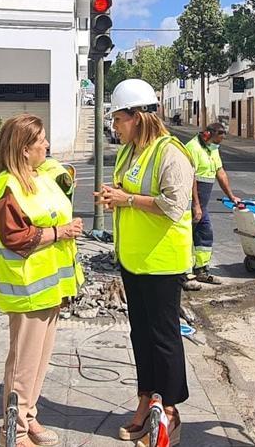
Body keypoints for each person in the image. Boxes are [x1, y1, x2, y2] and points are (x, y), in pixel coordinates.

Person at [95, 79, 194, 446]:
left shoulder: (171, 153)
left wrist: (128, 200)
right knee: (141, 335)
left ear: (137, 116)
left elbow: (174, 206)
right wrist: (113, 197)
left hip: (162, 263)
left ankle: (169, 409)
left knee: (164, 338)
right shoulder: (128, 151)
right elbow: (127, 192)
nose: (115, 126)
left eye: (119, 119)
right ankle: (144, 401)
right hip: (134, 261)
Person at [0, 114, 85, 447]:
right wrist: (60, 232)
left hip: (49, 287)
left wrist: (68, 180)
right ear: (23, 149)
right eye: (40, 140)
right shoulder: (7, 185)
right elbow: (15, 237)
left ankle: (28, 416)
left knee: (39, 360)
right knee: (23, 363)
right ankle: (13, 432)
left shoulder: (38, 175)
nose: (46, 145)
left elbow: (61, 176)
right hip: (27, 288)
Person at [183, 122, 240, 289]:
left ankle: (201, 270)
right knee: (187, 237)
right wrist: (196, 206)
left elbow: (220, 172)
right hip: (193, 201)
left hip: (203, 204)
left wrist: (231, 196)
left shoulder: (212, 149)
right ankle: (185, 274)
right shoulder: (192, 148)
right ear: (207, 134)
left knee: (204, 234)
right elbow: (190, 178)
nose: (217, 145)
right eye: (216, 140)